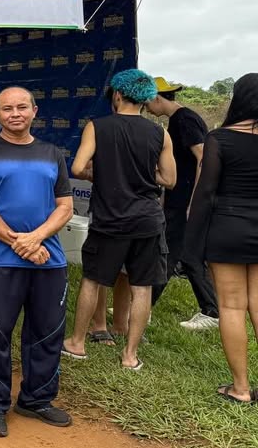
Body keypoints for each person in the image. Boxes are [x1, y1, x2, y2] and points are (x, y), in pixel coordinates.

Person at [0, 87, 74, 438]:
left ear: (34, 111)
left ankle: (36, 399)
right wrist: (21, 243)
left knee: (47, 333)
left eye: (22, 107)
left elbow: (65, 207)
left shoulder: (52, 153)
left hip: (49, 261)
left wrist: (36, 237)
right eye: (7, 108)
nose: (15, 114)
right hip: (2, 261)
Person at [63, 70, 176, 371]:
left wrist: (103, 172)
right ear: (145, 98)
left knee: (93, 279)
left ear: (117, 94)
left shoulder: (97, 127)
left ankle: (76, 343)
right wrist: (142, 175)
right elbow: (169, 179)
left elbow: (77, 168)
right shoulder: (161, 134)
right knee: (142, 286)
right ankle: (130, 356)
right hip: (148, 220)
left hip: (109, 218)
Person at [186, 73, 258, 403]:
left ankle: (240, 388)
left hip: (227, 228)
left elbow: (205, 193)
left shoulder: (219, 139)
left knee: (231, 306)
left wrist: (191, 244)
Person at [147, 77, 219, 330]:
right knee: (174, 253)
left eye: (147, 103)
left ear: (157, 98)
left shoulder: (185, 119)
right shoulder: (176, 120)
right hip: (177, 198)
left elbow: (203, 158)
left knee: (176, 253)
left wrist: (195, 200)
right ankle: (145, 304)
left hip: (187, 201)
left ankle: (212, 311)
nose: (147, 109)